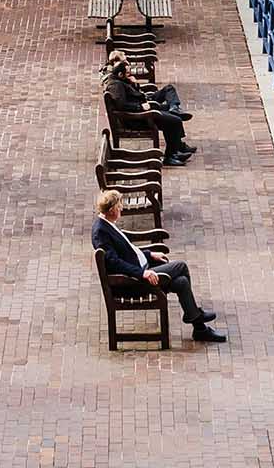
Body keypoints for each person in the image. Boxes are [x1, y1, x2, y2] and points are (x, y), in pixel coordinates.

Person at [93, 190, 225, 342]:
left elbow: (128, 250)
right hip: (133, 282)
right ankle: (195, 315)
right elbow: (115, 263)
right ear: (111, 210)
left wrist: (150, 255)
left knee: (181, 282)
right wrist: (142, 274)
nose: (121, 208)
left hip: (143, 268)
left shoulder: (108, 224)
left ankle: (199, 328)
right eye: (119, 206)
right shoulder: (101, 232)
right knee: (181, 266)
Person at [105, 57, 195, 165]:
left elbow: (132, 95)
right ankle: (170, 156)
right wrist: (140, 107)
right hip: (139, 118)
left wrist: (134, 84)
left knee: (172, 116)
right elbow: (121, 105)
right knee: (175, 121)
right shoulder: (116, 86)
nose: (130, 75)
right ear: (120, 74)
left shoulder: (121, 81)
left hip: (145, 111)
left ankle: (175, 150)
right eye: (128, 73)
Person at [105, 49, 189, 121]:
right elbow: (122, 103)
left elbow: (132, 92)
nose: (127, 63)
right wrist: (140, 106)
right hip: (142, 107)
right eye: (124, 61)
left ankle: (174, 108)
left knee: (169, 89)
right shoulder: (116, 84)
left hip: (143, 99)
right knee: (174, 118)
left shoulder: (121, 77)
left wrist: (135, 83)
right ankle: (175, 113)